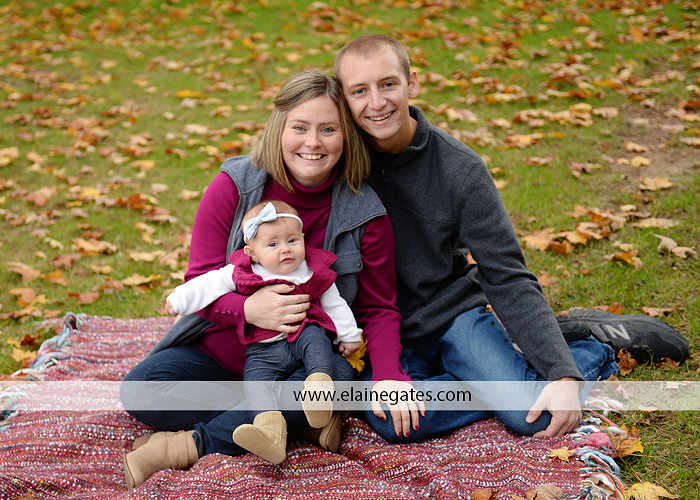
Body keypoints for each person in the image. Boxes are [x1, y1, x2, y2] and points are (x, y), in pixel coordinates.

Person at [120, 69, 418, 489]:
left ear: (346, 136)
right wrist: (248, 309)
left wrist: (388, 376)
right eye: (300, 127)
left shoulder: (364, 213)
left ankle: (186, 446)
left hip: (310, 360)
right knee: (140, 391)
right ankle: (300, 423)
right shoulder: (234, 187)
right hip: (223, 355)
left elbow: (379, 307)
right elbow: (200, 279)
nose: (313, 143)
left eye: (328, 129)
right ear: (279, 127)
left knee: (325, 384)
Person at [333, 34, 620, 442]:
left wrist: (562, 373)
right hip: (379, 330)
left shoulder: (460, 169)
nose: (376, 102)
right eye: (360, 91)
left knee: (531, 415)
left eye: (388, 84)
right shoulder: (336, 160)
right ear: (343, 99)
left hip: (451, 314)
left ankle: (588, 350)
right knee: (390, 420)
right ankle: (507, 379)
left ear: (412, 83)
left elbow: (506, 274)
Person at [164, 199, 363, 464]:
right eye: (273, 244)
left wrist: (349, 336)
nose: (285, 249)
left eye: (292, 240)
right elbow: (207, 284)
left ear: (303, 239)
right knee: (256, 384)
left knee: (317, 344)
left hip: (303, 333)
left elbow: (335, 304)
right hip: (263, 350)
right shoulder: (241, 272)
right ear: (252, 253)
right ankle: (271, 433)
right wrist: (178, 300)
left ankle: (318, 391)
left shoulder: (313, 271)